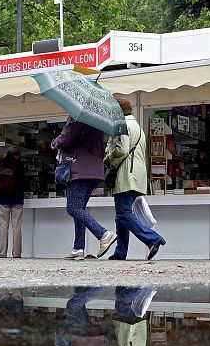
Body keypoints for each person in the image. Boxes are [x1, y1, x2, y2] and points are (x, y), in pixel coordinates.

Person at [107, 95, 166, 261]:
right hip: (137, 175)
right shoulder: (137, 126)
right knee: (122, 214)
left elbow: (122, 150)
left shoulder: (121, 125)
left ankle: (152, 239)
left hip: (126, 175)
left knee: (123, 214)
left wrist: (108, 158)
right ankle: (120, 252)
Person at [53, 117, 117, 260]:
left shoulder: (78, 117)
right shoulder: (99, 119)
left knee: (73, 208)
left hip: (80, 168)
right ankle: (78, 247)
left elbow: (66, 139)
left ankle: (104, 234)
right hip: (95, 170)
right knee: (79, 208)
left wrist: (55, 142)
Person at [0, 146, 25, 258]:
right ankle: (16, 253)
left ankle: (1, 253)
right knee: (16, 227)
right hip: (16, 199)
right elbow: (22, 181)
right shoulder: (20, 164)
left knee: (3, 227)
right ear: (17, 155)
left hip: (2, 199)